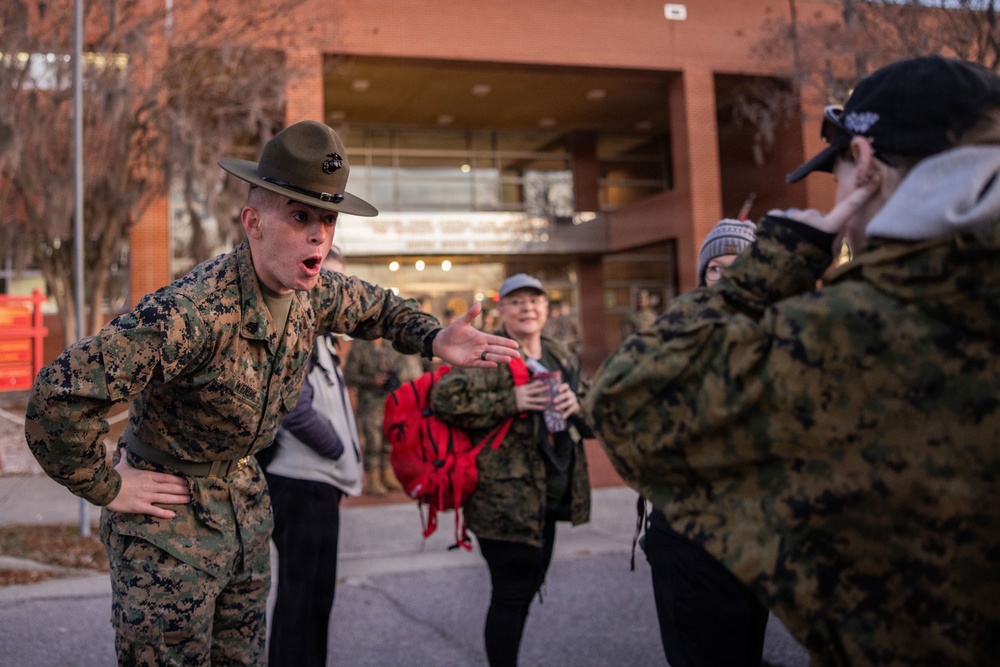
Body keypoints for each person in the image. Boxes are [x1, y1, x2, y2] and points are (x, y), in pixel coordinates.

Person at [23, 119, 519, 665]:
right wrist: (108, 485)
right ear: (253, 222)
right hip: (166, 528)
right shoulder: (191, 312)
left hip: (245, 512)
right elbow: (60, 395)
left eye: (327, 220)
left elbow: (377, 306)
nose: (318, 235)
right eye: (300, 217)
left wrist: (434, 336)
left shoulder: (311, 292)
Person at [585, 55, 1000, 667]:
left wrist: (778, 262)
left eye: (835, 180)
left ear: (863, 165)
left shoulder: (848, 332)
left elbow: (625, 403)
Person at [430, 273, 592, 667]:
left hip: (551, 495)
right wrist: (511, 398)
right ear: (501, 309)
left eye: (535, 300)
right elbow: (444, 399)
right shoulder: (488, 350)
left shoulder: (561, 353)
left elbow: (595, 413)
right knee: (511, 592)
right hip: (503, 499)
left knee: (530, 583)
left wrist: (578, 404)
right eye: (516, 301)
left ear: (547, 309)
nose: (527, 308)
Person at [642, 218, 770, 667]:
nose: (726, 275)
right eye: (715, 268)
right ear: (703, 277)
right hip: (689, 530)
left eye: (739, 264)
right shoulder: (675, 333)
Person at [262, 246, 360, 667]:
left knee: (317, 599)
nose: (333, 291)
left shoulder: (323, 336)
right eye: (328, 279)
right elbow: (295, 411)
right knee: (302, 600)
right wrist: (338, 451)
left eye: (341, 282)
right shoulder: (295, 333)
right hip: (302, 483)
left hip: (319, 483)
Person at [342, 336, 411, 495]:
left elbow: (402, 368)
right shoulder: (360, 348)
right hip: (369, 405)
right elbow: (349, 376)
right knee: (373, 442)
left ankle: (386, 474)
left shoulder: (391, 346)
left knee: (388, 441)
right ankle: (372, 479)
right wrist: (371, 380)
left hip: (390, 402)